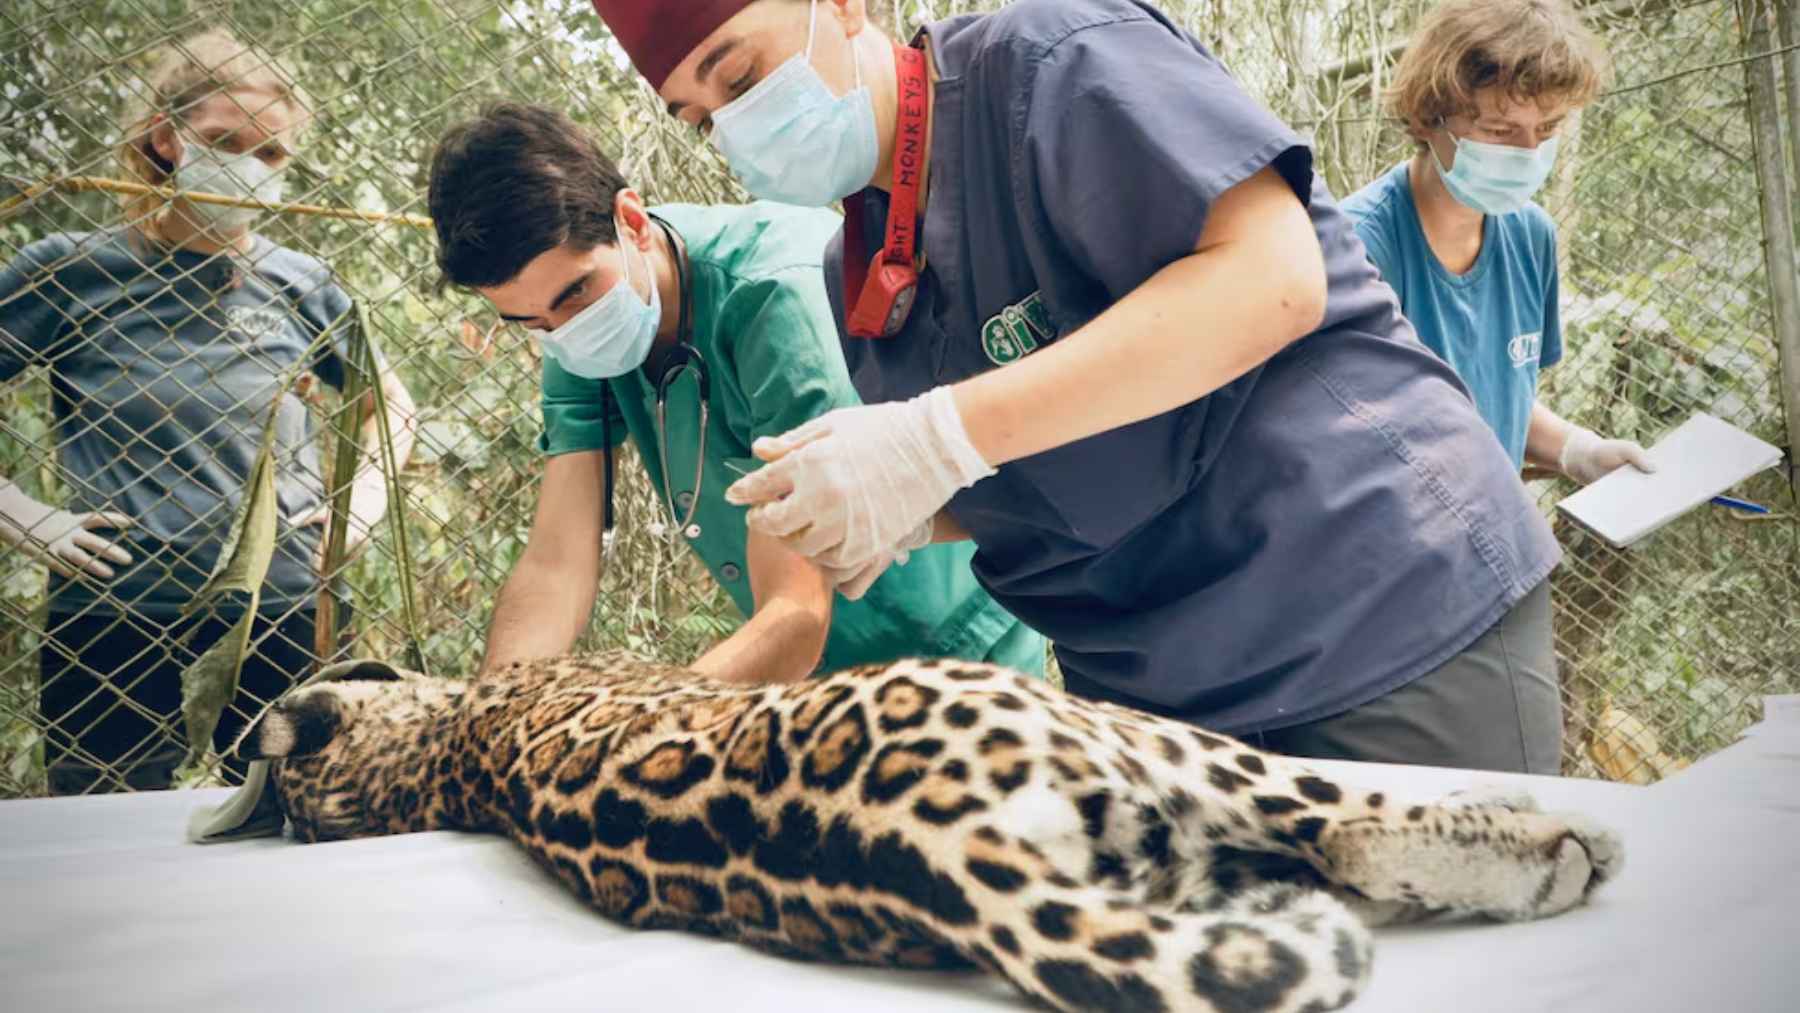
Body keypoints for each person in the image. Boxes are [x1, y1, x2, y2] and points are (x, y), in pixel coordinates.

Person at [589, 0, 1570, 773]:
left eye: (742, 73)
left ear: (841, 5)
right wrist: (900, 505)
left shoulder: (1056, 61)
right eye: (702, 116)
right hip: (1156, 713)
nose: (738, 125)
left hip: (1372, 618)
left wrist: (931, 438)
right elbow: (1045, 460)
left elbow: (1272, 279)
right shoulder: (862, 264)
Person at [426, 102, 1043, 683]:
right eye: (530, 323)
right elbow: (557, 564)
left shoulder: (776, 299)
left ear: (632, 223)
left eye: (577, 295)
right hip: (809, 679)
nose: (563, 331)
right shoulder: (574, 334)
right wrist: (492, 717)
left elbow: (795, 614)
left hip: (954, 656)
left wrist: (634, 730)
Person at [0, 31, 416, 794]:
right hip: (117, 611)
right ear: (166, 137)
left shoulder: (301, 283)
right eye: (224, 142)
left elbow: (386, 405)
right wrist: (22, 514)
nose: (247, 170)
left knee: (301, 825)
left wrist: (360, 509)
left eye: (271, 155)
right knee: (105, 849)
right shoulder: (71, 269)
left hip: (284, 605)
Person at [1341, 0, 1652, 482]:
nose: (1529, 153)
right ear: (1429, 118)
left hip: (1490, 532)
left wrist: (1578, 450)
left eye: (1547, 129)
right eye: (1499, 130)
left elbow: (1498, 401)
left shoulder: (1532, 236)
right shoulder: (1357, 247)